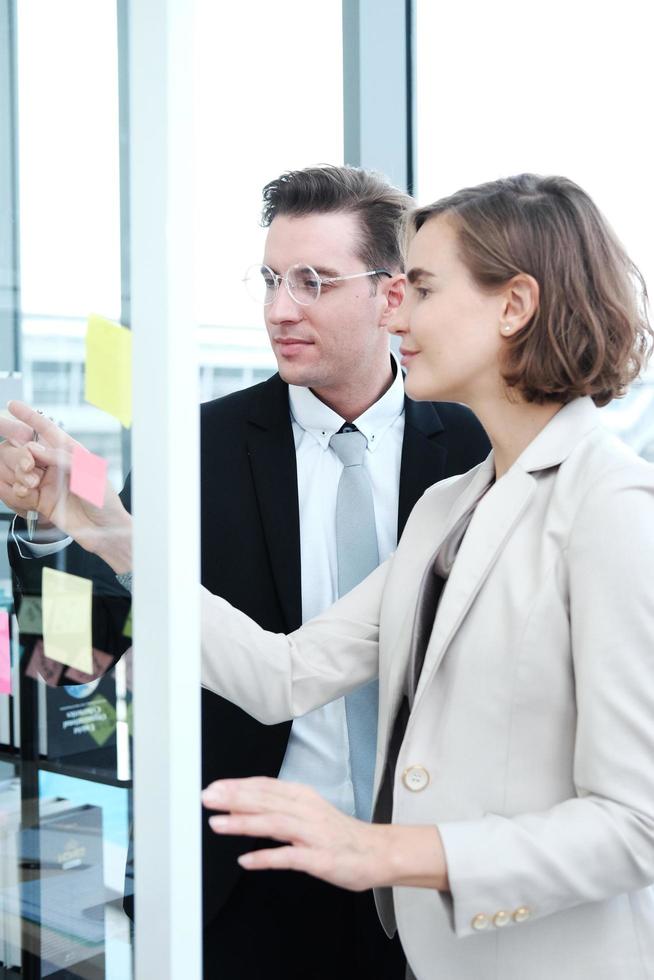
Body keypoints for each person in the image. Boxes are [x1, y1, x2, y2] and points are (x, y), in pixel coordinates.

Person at [0, 165, 490, 979]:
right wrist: (47, 525)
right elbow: (71, 659)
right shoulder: (195, 449)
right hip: (242, 879)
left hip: (429, 869)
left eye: (313, 281)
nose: (277, 310)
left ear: (392, 295)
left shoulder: (474, 450)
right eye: (269, 279)